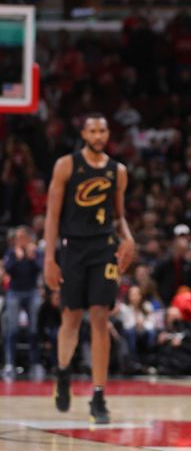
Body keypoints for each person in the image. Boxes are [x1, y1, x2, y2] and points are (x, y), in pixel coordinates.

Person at [44, 113, 136, 424]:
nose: (98, 136)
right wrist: (49, 258)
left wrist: (128, 237)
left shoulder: (117, 171)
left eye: (102, 131)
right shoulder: (66, 165)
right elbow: (52, 217)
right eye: (92, 131)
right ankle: (64, 371)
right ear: (83, 133)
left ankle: (99, 396)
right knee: (70, 317)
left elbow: (119, 215)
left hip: (104, 248)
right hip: (73, 247)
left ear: (108, 134)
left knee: (100, 317)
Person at [3, 226, 44, 380]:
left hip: (32, 292)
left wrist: (31, 257)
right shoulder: (11, 252)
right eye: (17, 238)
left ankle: (35, 364)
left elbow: (41, 268)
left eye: (22, 237)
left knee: (34, 330)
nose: (19, 240)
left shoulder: (35, 251)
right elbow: (7, 269)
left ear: (28, 238)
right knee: (11, 329)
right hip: (14, 292)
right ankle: (9, 364)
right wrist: (17, 257)